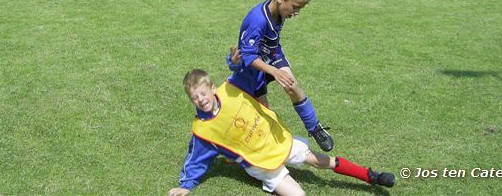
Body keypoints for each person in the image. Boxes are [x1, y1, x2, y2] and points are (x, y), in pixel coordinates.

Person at [168, 69, 395, 196]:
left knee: (321, 161)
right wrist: (185, 185)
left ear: (213, 88)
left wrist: (234, 59)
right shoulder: (203, 130)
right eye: (195, 97)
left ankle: (371, 176)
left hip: (277, 141)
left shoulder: (231, 89)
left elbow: (248, 68)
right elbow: (196, 159)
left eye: (203, 93)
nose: (201, 100)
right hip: (262, 164)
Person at [225, 0, 333, 152]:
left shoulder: (279, 11)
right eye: (295, 8)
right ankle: (251, 149)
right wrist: (274, 72)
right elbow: (249, 57)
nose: (296, 13)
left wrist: (277, 66)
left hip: (273, 54)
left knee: (292, 85)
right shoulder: (257, 20)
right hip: (253, 68)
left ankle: (315, 128)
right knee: (263, 111)